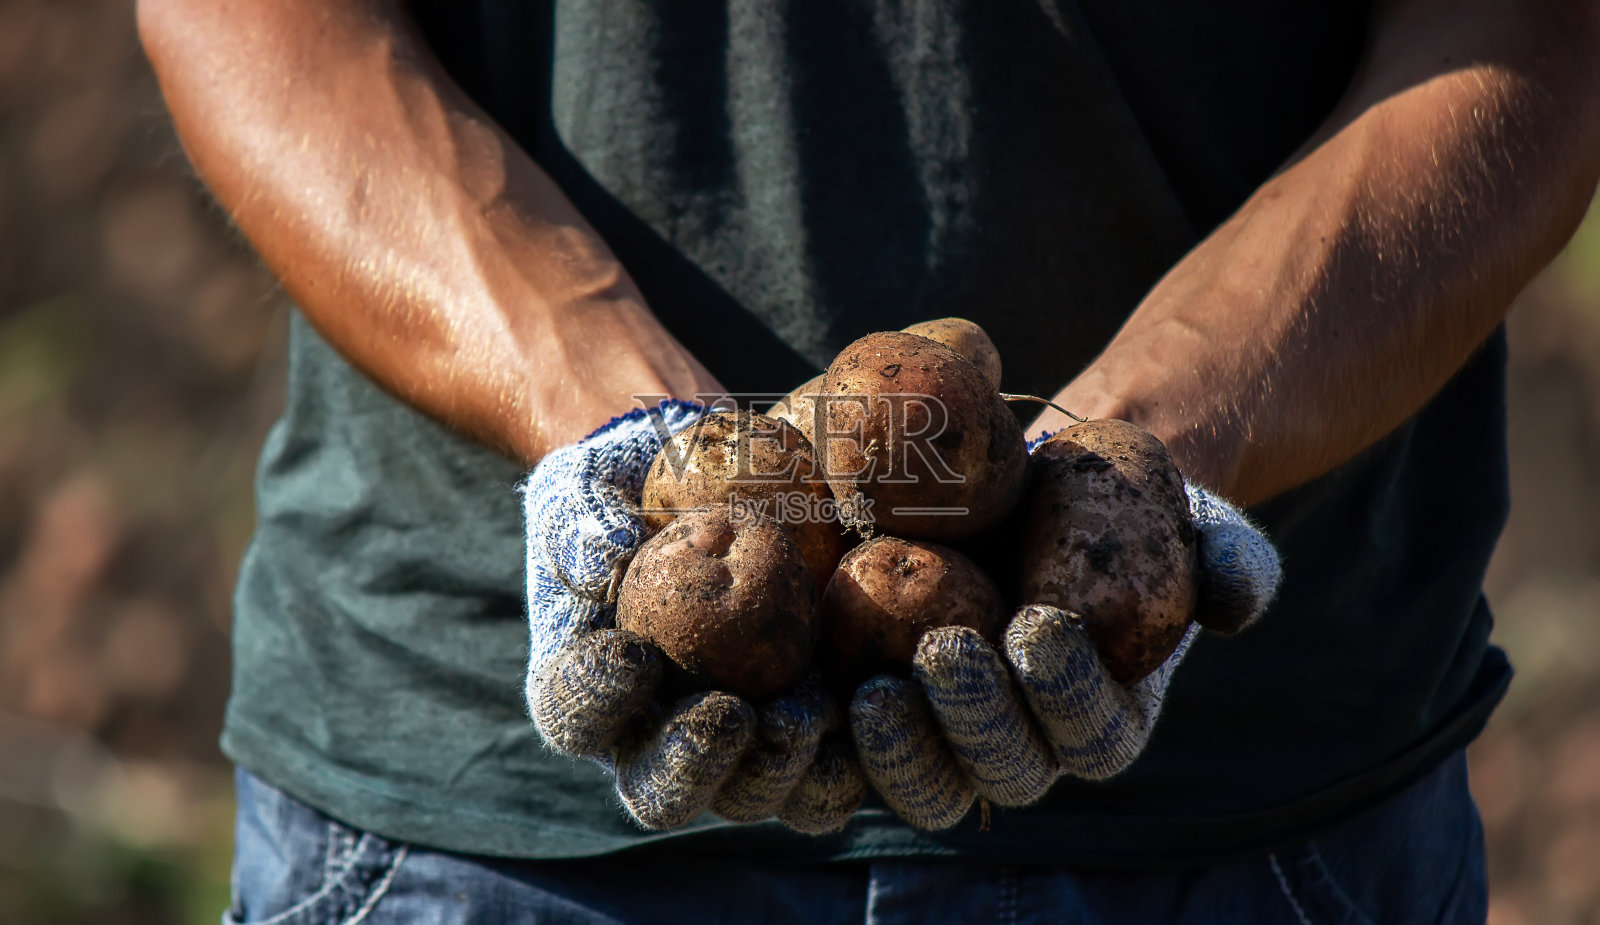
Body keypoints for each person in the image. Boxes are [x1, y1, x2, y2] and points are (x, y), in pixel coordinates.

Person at [137, 0, 1600, 922]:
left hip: (1262, 819)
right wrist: (621, 438)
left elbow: (1531, 33)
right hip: (475, 827)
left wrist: (1136, 467)